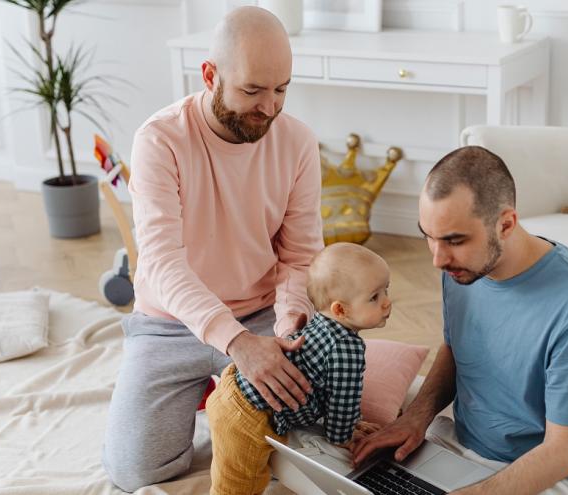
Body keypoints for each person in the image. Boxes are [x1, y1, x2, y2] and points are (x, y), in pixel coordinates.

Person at [102, 7, 325, 491]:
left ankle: (225, 397)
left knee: (317, 443)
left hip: (262, 316)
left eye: (281, 89)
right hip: (170, 325)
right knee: (133, 470)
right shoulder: (160, 140)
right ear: (210, 75)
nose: (269, 107)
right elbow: (161, 263)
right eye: (252, 91)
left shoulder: (299, 143)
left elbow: (300, 257)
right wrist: (237, 346)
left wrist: (287, 324)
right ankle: (217, 393)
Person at [352, 146, 568, 495]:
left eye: (454, 240)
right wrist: (416, 418)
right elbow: (457, 349)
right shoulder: (462, 269)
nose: (437, 259)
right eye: (428, 237)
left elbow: (563, 452)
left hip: (544, 472)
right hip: (457, 441)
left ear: (505, 224)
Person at [206, 242, 391, 495]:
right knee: (238, 487)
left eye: (386, 291)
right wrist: (344, 436)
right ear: (340, 309)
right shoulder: (348, 349)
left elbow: (328, 386)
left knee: (230, 467)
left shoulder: (322, 322)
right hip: (247, 418)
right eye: (375, 297)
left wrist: (354, 421)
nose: (387, 303)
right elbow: (342, 402)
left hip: (233, 386)